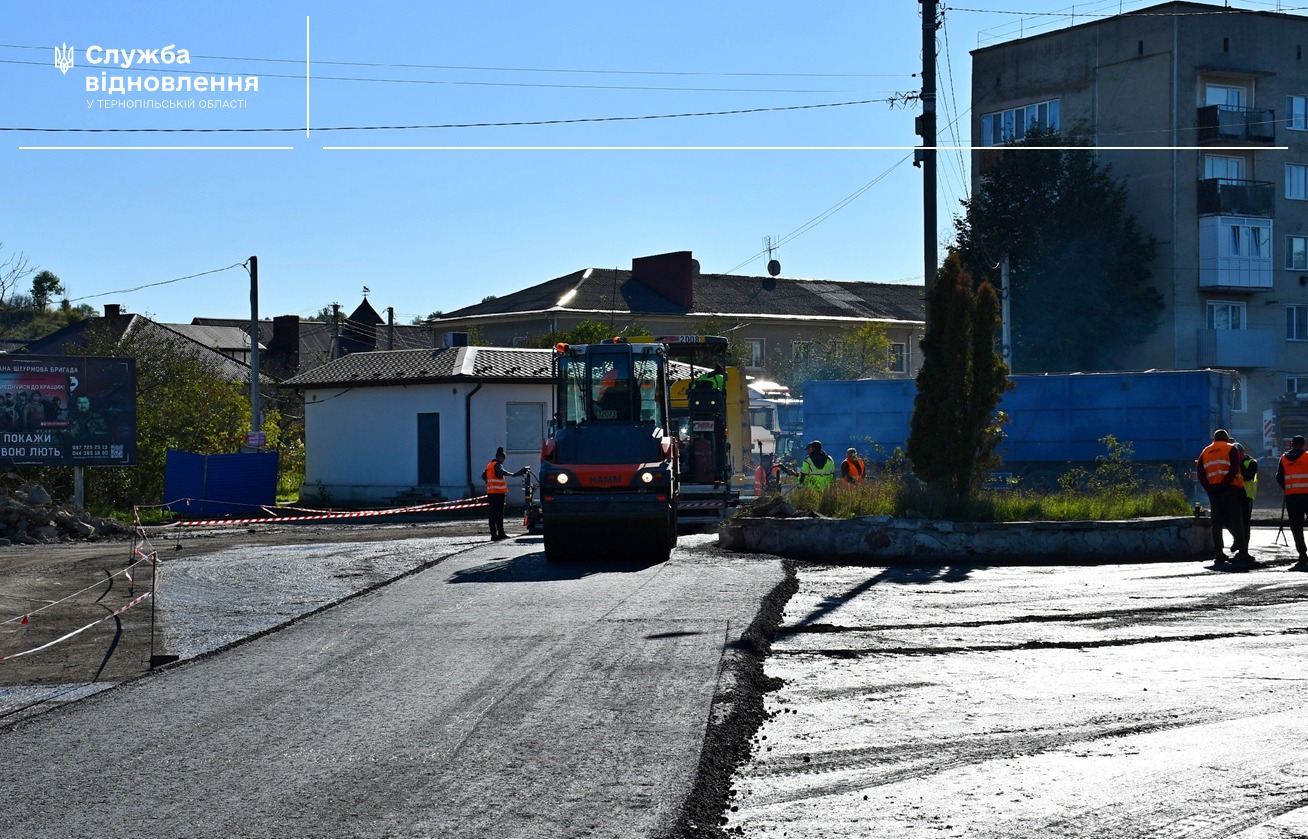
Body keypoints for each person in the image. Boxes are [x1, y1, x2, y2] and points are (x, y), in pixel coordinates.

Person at [1196, 429, 1255, 569]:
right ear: (1227, 439)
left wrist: (1209, 487)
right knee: (1236, 520)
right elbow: (1234, 468)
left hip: (1213, 491)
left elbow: (1200, 473)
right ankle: (1242, 551)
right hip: (1230, 489)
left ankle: (1219, 553)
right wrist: (1225, 484)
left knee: (1217, 523)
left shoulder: (1205, 452)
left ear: (1214, 440)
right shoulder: (1231, 449)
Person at [1276, 435, 1308, 571]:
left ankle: (1302, 554)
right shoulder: (1307, 456)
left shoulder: (1283, 458)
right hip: (1307, 496)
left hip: (1291, 497)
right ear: (1304, 445)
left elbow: (1279, 477)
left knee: (1296, 526)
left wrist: (1288, 487)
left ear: (1291, 444)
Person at [484, 446, 528, 541]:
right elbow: (501, 473)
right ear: (501, 458)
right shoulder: (498, 465)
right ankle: (501, 533)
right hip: (499, 494)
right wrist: (512, 474)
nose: (503, 461)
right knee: (499, 514)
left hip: (491, 493)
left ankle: (493, 534)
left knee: (492, 514)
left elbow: (484, 476)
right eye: (503, 459)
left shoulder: (489, 466)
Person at [1234, 441, 1257, 537]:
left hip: (1246, 494)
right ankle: (1238, 541)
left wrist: (1239, 464)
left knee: (1245, 521)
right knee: (1235, 520)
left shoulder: (1251, 462)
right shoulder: (1233, 462)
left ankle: (1244, 545)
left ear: (1241, 452)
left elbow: (1248, 476)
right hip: (1235, 494)